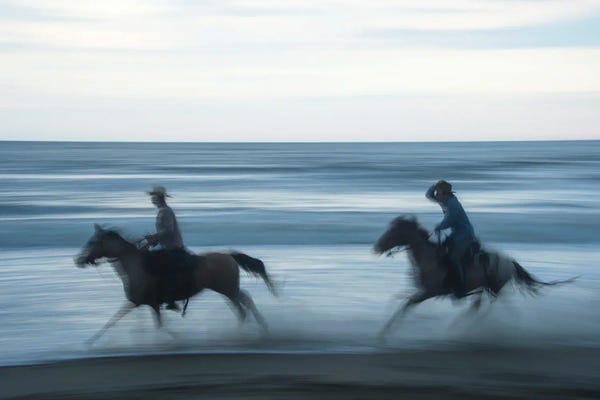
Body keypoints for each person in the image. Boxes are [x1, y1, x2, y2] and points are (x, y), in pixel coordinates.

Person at [426, 180, 476, 297]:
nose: (437, 195)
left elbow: (449, 220)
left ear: (446, 193)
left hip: (464, 234)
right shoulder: (443, 200)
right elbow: (429, 195)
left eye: (439, 192)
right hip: (456, 233)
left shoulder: (453, 204)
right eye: (437, 192)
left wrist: (439, 226)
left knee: (453, 257)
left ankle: (461, 285)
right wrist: (435, 186)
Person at [144, 186, 185, 311]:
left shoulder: (166, 211)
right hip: (167, 246)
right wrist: (153, 241)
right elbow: (164, 233)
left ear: (159, 198)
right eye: (152, 197)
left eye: (154, 197)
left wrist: (154, 237)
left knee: (165, 269)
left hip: (173, 247)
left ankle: (171, 299)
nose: (152, 199)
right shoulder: (162, 211)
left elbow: (168, 231)